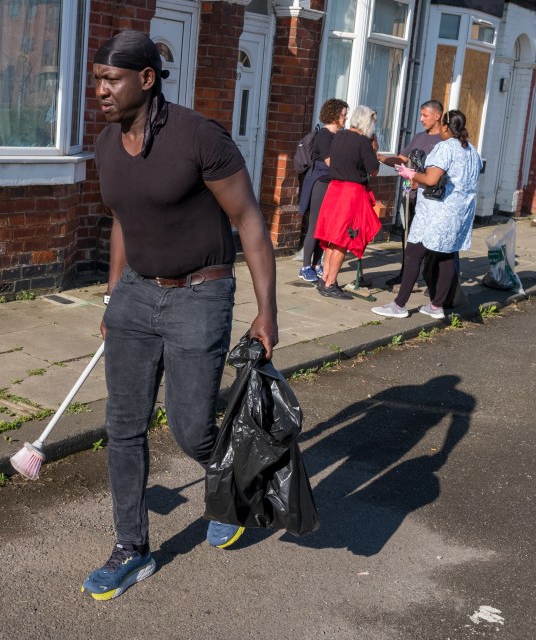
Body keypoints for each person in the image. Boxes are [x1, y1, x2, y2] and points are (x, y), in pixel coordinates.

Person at [85, 31, 279, 600]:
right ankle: (131, 549)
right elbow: (124, 218)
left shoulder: (200, 138)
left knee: (191, 428)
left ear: (146, 79)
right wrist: (113, 294)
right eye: (97, 79)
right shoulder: (104, 144)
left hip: (201, 293)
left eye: (111, 79)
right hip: (136, 297)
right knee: (122, 427)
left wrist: (266, 313)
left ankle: (234, 484)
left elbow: (249, 222)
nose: (101, 90)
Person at [372, 110, 481, 319]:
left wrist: (411, 174)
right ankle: (436, 305)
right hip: (458, 213)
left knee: (414, 253)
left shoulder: (445, 148)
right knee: (446, 255)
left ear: (447, 127)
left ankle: (399, 305)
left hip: (436, 213)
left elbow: (431, 179)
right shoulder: (471, 151)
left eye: (442, 125)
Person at [313, 105, 382, 300]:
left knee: (331, 238)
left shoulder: (339, 136)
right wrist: (374, 150)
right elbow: (373, 170)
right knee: (343, 240)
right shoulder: (363, 142)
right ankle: (330, 283)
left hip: (334, 189)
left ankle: (324, 278)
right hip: (350, 194)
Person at [379, 100, 444, 288]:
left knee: (430, 240)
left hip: (432, 200)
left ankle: (431, 278)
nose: (421, 119)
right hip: (412, 198)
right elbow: (402, 159)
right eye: (421, 114)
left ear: (437, 115)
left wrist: (421, 181)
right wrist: (382, 158)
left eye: (425, 115)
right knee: (407, 237)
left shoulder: (444, 141)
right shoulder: (418, 137)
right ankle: (405, 275)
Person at [297, 98, 349, 283]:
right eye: (343, 115)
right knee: (315, 225)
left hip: (332, 183)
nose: (346, 118)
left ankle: (316, 264)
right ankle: (305, 266)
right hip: (320, 182)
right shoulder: (325, 135)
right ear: (334, 115)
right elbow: (331, 164)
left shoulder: (338, 136)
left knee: (325, 227)